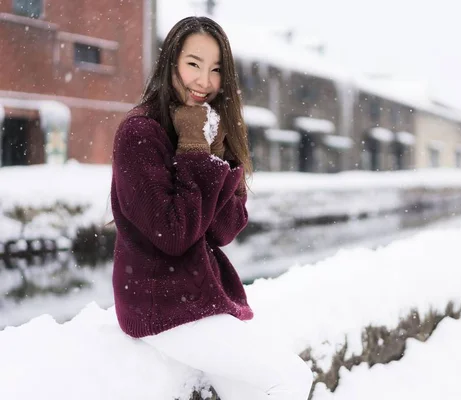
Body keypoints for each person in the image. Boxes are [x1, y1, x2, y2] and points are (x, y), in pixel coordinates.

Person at [110, 16, 313, 400]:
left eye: (216, 69)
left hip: (195, 293)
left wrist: (215, 153)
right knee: (291, 378)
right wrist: (194, 152)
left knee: (253, 391)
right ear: (171, 64)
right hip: (157, 300)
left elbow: (225, 229)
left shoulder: (204, 126)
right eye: (193, 64)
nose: (205, 81)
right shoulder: (140, 133)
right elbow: (172, 234)